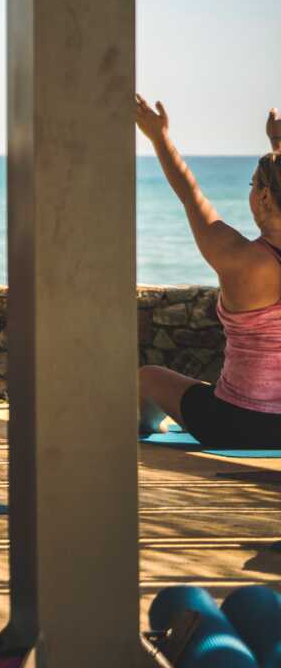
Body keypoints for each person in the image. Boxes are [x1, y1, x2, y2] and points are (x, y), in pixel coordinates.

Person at [137, 100, 281, 447]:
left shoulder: (242, 261)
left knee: (146, 377)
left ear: (263, 195)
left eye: (251, 184)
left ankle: (149, 428)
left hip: (235, 424)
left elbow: (191, 196)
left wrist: (160, 138)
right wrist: (276, 145)